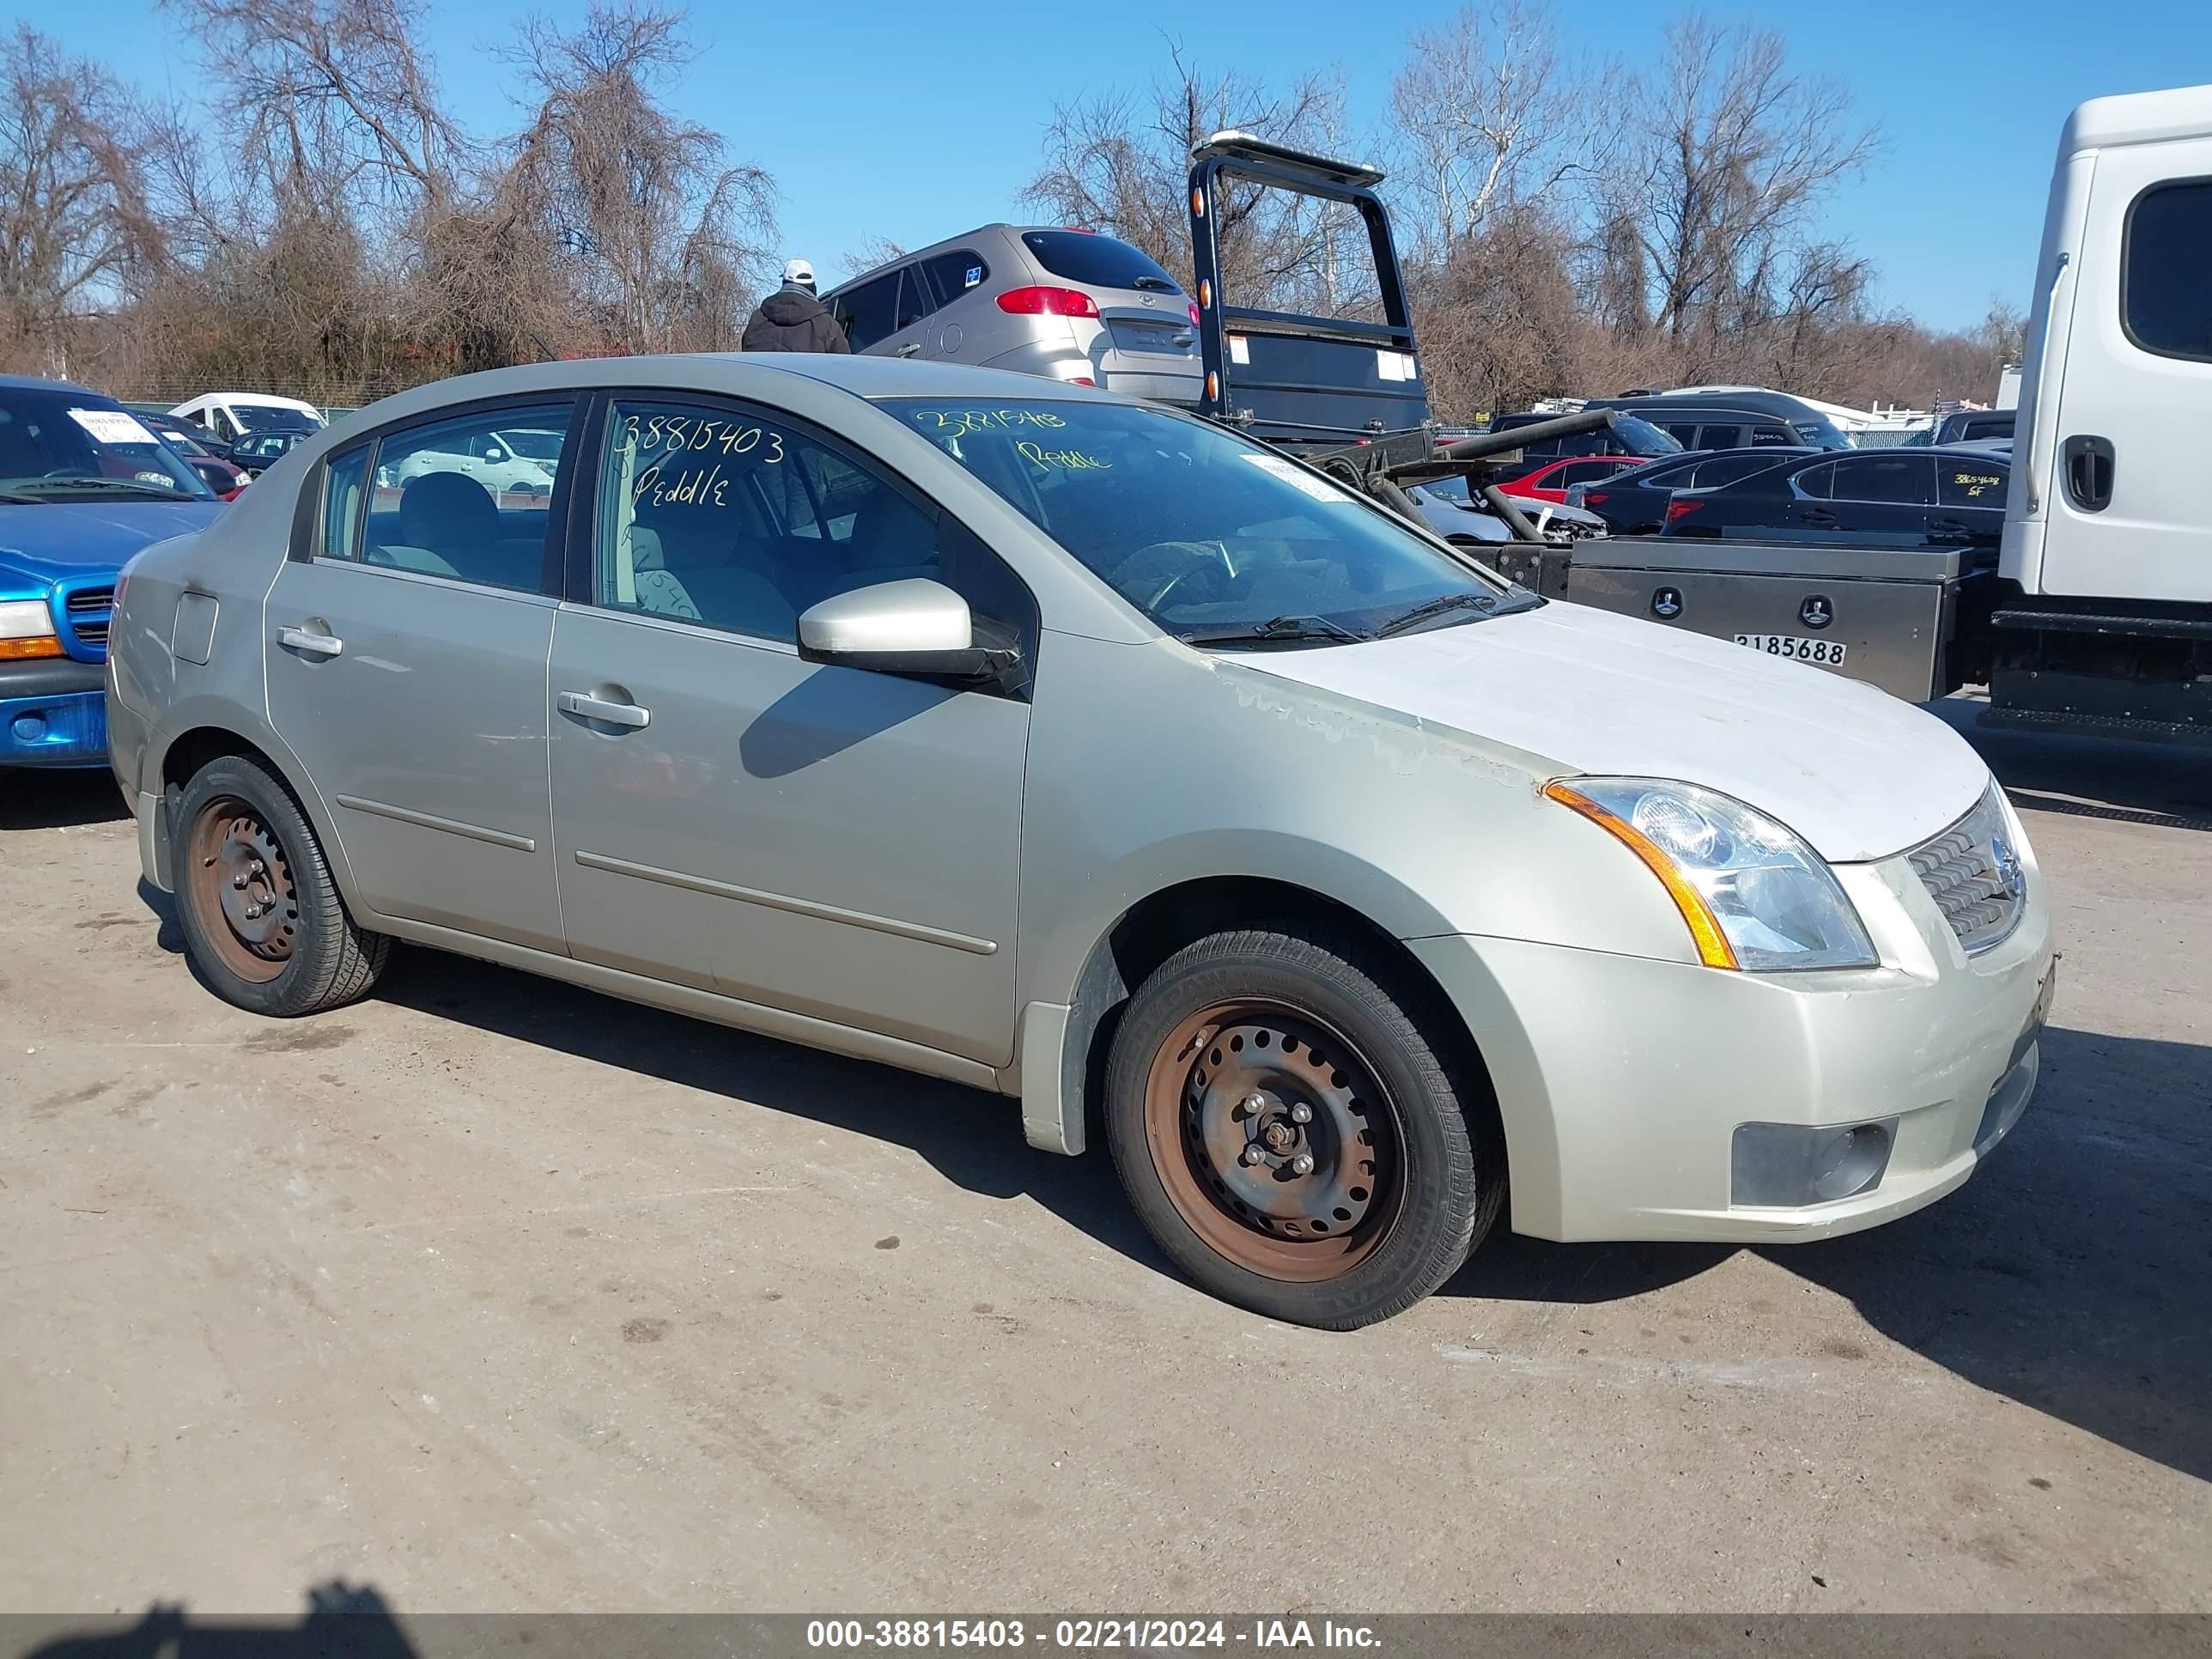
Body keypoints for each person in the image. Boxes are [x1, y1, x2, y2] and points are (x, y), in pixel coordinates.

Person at [740, 259, 851, 354]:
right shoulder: (827, 325)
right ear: (812, 287)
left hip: (761, 379)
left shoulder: (758, 319)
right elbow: (844, 367)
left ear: (784, 282)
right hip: (807, 380)